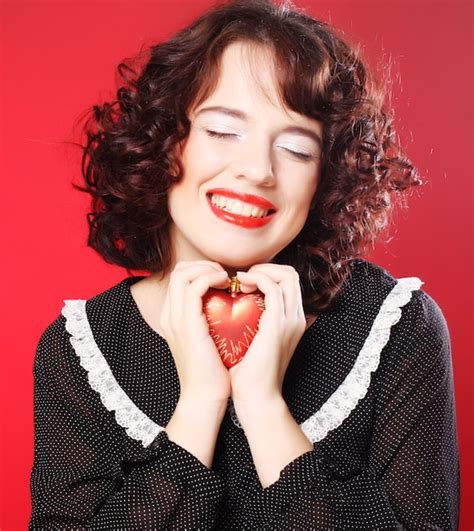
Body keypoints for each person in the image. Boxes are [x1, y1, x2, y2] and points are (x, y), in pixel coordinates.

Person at [28, 0, 460, 529]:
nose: (258, 170)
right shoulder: (80, 349)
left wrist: (264, 407)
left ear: (326, 177)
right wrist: (200, 404)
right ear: (163, 140)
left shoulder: (397, 326)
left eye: (298, 149)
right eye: (223, 131)